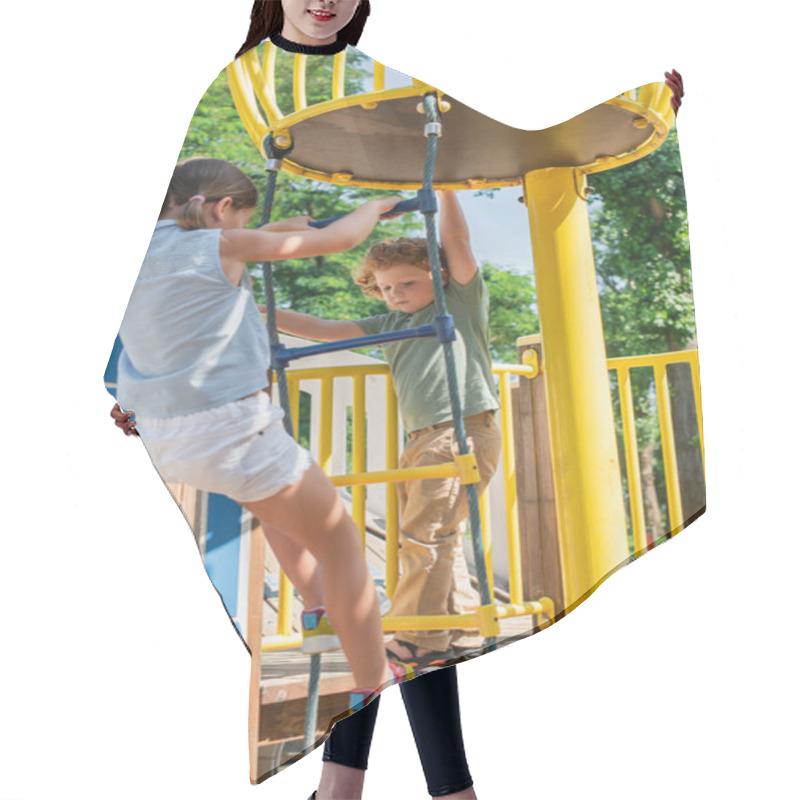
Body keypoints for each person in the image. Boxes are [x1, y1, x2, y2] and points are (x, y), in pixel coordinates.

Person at [111, 154, 406, 705]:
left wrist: (269, 232)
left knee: (273, 507)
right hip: (230, 429)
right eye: (242, 221)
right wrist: (371, 207)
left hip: (162, 436)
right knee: (341, 540)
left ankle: (317, 609)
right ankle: (374, 686)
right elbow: (340, 240)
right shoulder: (221, 245)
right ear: (223, 208)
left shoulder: (132, 253)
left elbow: (210, 256)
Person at [277, 191, 502, 668]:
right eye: (384, 287)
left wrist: (446, 190)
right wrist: (263, 312)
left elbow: (456, 239)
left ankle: (415, 637)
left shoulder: (456, 303)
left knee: (425, 537)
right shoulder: (389, 322)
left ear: (438, 278)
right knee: (439, 535)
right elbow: (326, 328)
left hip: (459, 430)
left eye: (406, 283)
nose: (395, 294)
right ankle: (458, 629)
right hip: (422, 438)